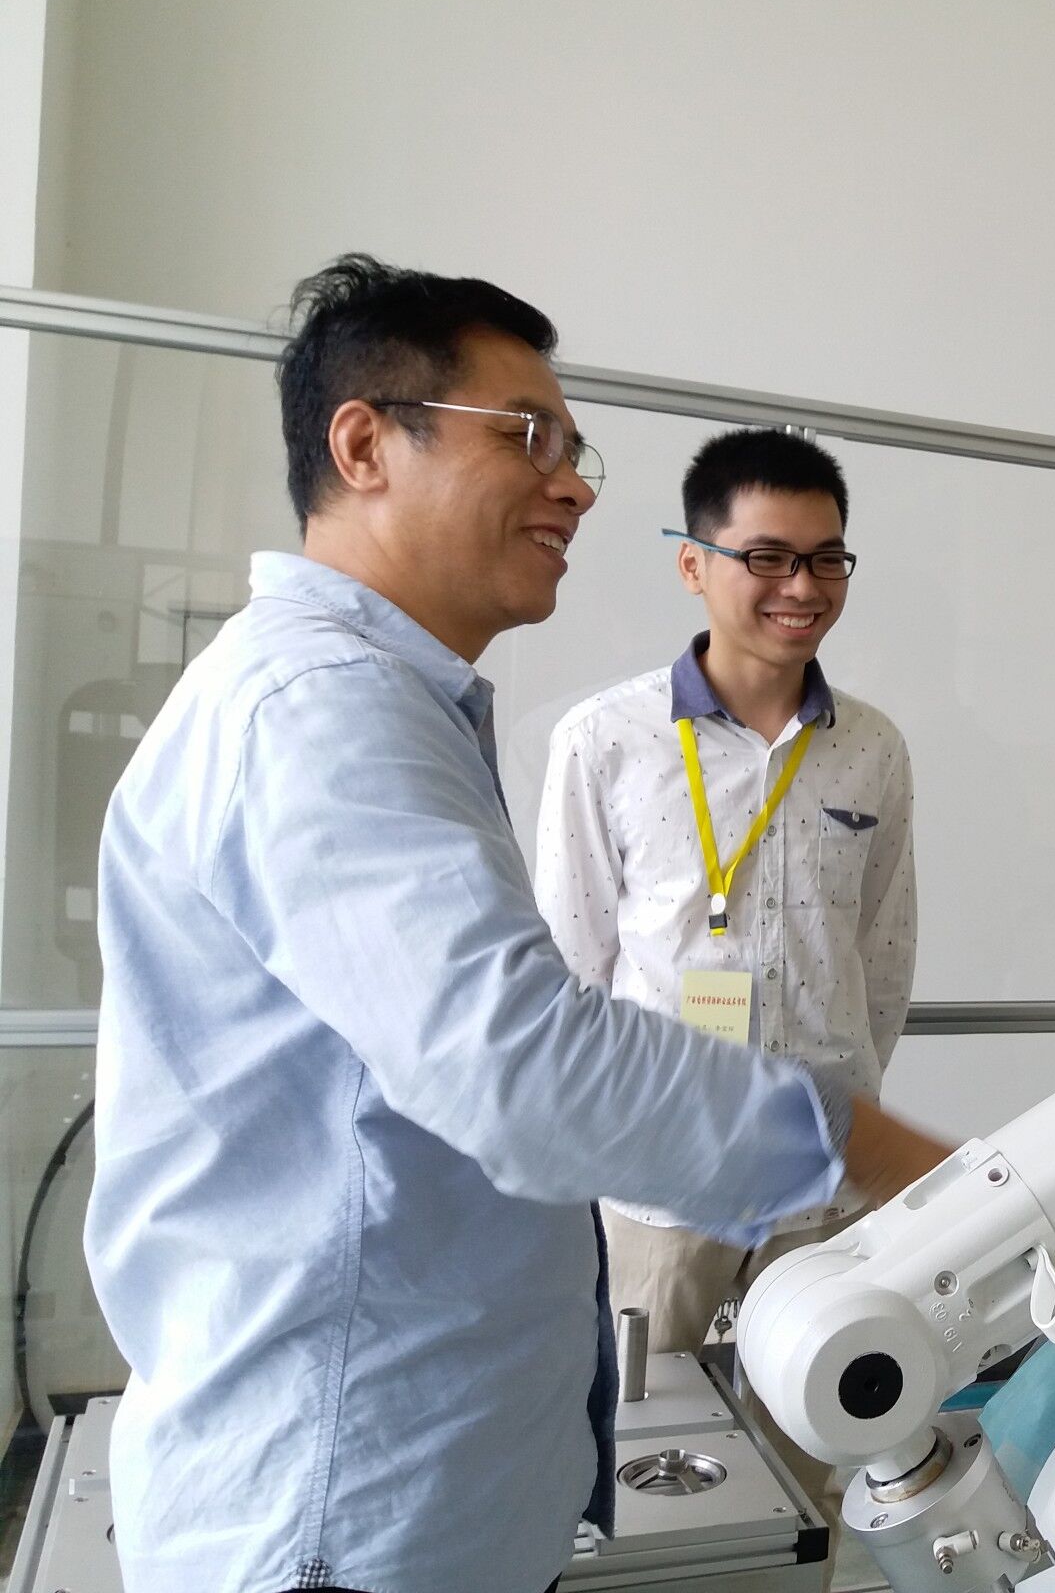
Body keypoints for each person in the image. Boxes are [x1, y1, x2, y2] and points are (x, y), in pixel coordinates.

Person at [83, 255, 943, 1593]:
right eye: (525, 435)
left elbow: (877, 954)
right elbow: (532, 1046)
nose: (573, 484)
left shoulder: (399, 704)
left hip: (438, 1473)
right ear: (364, 445)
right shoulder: (322, 711)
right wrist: (875, 1143)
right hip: (343, 1509)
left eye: (572, 448)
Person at [535, 426, 915, 1519]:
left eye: (826, 558)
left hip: (823, 1194)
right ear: (694, 564)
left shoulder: (871, 746)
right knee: (637, 1464)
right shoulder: (606, 738)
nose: (802, 586)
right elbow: (572, 965)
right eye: (767, 557)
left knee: (809, 1467)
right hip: (663, 1185)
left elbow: (882, 956)